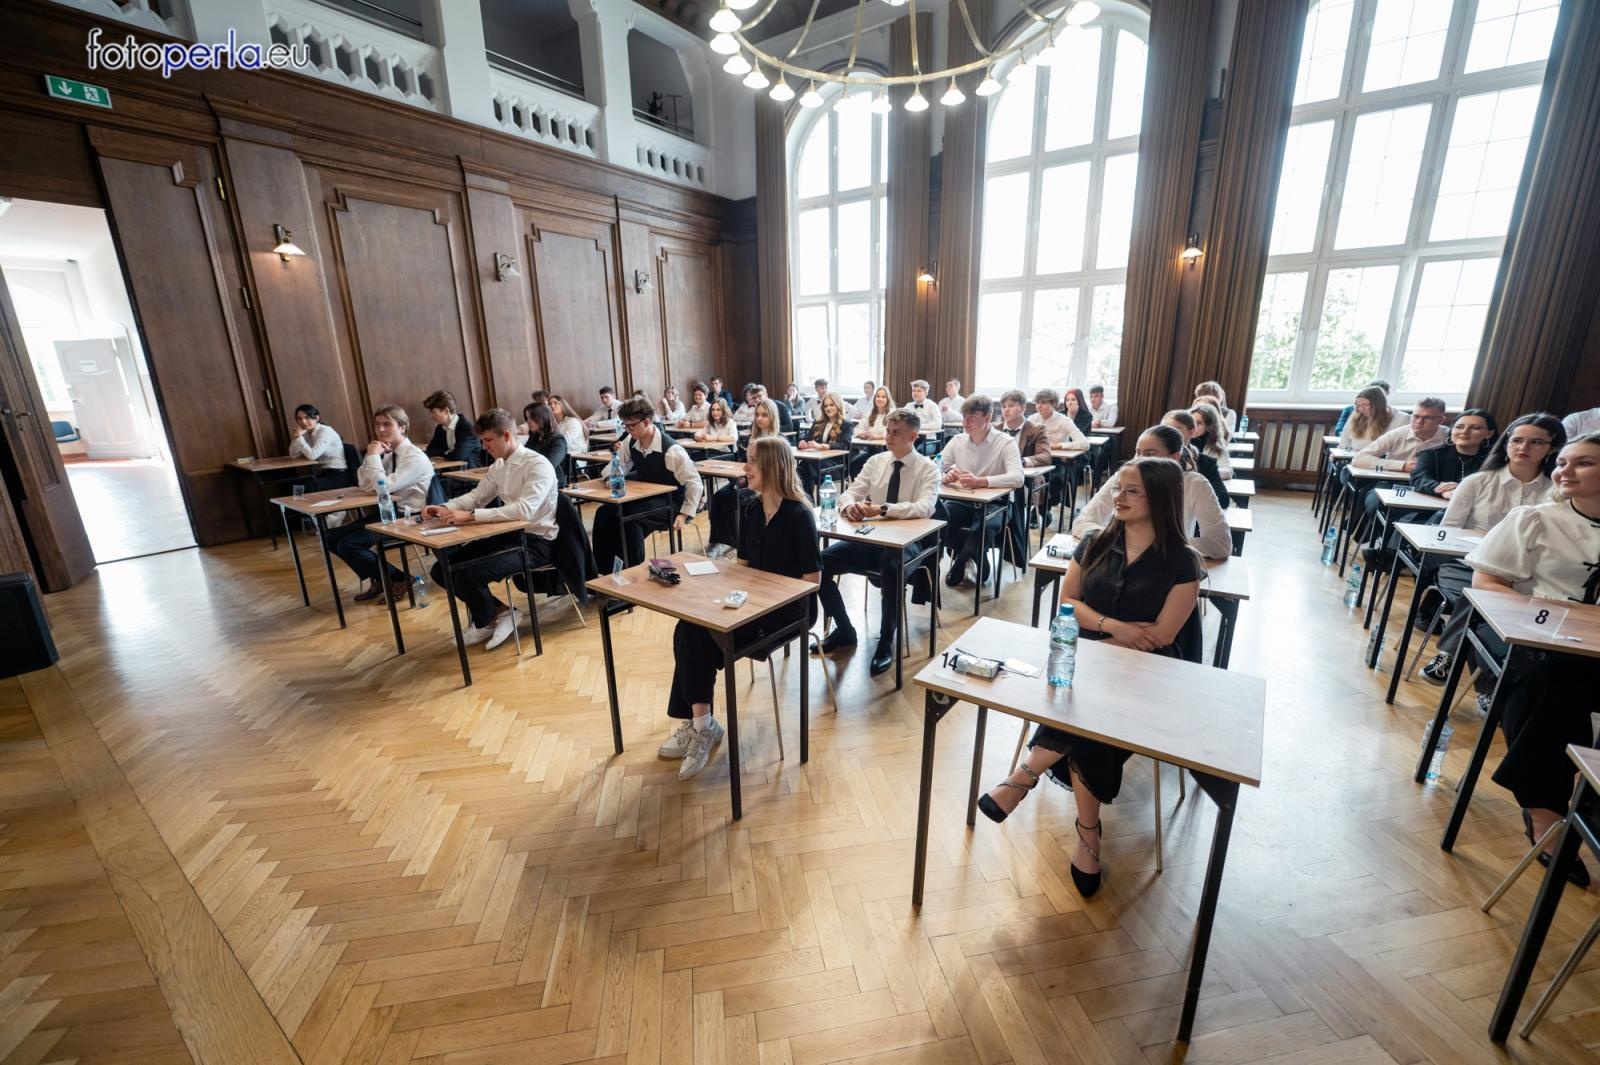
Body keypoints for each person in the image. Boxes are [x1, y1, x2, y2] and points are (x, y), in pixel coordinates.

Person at [978, 457, 1203, 897]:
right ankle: (1088, 834)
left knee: (1089, 707)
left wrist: (1099, 650)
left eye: (1132, 490)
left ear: (1159, 497)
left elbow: (1161, 635)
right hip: (1086, 661)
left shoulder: (1183, 562)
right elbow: (1068, 603)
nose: (1118, 496)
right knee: (1091, 713)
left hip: (1149, 674)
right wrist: (1113, 628)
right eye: (1118, 486)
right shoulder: (1095, 542)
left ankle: (1026, 773)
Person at [1460, 432, 1600, 887]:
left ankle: (1589, 800)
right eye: (1563, 462)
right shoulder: (1535, 519)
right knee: (1553, 680)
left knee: (1567, 681)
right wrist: (1563, 619)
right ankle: (1546, 809)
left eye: (1583, 463)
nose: (1564, 470)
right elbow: (1486, 581)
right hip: (1536, 635)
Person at [657, 436, 820, 781]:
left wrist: (762, 596)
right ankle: (702, 724)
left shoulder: (799, 516)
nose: (744, 467)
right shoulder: (751, 509)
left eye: (751, 461)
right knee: (690, 625)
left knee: (699, 635)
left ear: (773, 468)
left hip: (791, 611)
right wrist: (717, 588)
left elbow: (812, 581)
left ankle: (701, 726)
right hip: (753, 604)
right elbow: (744, 566)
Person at [1418, 413, 1564, 686]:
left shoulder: (1556, 492)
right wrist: (1489, 541)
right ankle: (1454, 659)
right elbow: (1447, 532)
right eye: (1517, 440)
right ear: (1506, 443)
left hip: (1528, 572)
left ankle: (1495, 682)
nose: (1523, 448)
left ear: (1551, 448)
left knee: (1519, 604)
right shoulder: (1477, 482)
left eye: (1535, 442)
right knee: (1480, 593)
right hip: (1466, 562)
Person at [813, 409, 940, 675]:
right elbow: (848, 494)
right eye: (888, 431)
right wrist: (851, 508)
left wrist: (883, 509)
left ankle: (885, 642)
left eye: (897, 433)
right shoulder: (875, 462)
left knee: (891, 566)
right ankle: (845, 630)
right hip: (872, 537)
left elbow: (925, 507)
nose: (889, 437)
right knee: (820, 564)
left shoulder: (928, 468)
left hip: (909, 542)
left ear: (913, 436)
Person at [422, 408, 559, 651]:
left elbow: (524, 511)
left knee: (467, 575)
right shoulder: (499, 466)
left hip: (538, 543)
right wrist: (444, 507)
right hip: (511, 535)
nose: (484, 447)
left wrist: (472, 517)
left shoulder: (538, 465)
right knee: (442, 568)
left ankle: (488, 619)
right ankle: (499, 613)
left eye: (488, 440)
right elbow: (477, 497)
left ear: (506, 435)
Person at [1074, 425, 1232, 559]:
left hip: (1170, 568)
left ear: (1175, 457)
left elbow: (1221, 544)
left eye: (1150, 454)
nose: (1139, 460)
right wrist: (1119, 542)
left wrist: (1155, 546)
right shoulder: (1122, 477)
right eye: (1138, 452)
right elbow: (1082, 522)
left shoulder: (1195, 484)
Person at [329, 404, 434, 602]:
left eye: (387, 424)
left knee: (349, 545)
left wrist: (372, 456)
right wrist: (373, 457)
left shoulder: (415, 457)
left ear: (402, 427)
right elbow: (364, 484)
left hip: (410, 517)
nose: (381, 430)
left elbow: (382, 487)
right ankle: (381, 578)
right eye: (377, 425)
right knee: (331, 538)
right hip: (387, 513)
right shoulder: (386, 452)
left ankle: (399, 579)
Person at [590, 397, 704, 573]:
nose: (627, 430)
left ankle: (631, 575)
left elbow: (694, 483)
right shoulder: (631, 441)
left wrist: (683, 514)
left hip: (674, 502)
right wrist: (608, 478)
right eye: (625, 425)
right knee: (605, 512)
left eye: (631, 426)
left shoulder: (672, 451)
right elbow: (619, 464)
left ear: (647, 422)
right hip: (648, 496)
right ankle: (604, 572)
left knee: (632, 518)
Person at [938, 395, 1024, 587]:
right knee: (941, 517)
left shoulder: (1006, 442)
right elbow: (935, 466)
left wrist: (982, 481)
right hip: (962, 500)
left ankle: (960, 563)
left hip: (997, 503)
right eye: (964, 417)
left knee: (981, 526)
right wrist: (945, 475)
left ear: (987, 418)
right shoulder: (957, 440)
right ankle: (975, 555)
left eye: (971, 417)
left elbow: (1018, 478)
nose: (965, 422)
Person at [709, 399, 784, 550]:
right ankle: (718, 540)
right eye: (757, 415)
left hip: (766, 486)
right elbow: (743, 463)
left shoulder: (778, 441)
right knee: (718, 496)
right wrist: (742, 477)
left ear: (772, 417)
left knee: (733, 500)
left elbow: (775, 472)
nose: (759, 419)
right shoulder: (752, 438)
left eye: (764, 415)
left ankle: (735, 541)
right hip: (747, 480)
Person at [1411, 408, 1495, 498]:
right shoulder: (1430, 454)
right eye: (1459, 427)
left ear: (1489, 433)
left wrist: (1461, 489)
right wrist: (1442, 489)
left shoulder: (1495, 459)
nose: (1464, 432)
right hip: (1434, 506)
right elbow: (1419, 478)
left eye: (1475, 428)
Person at [1162, 410, 1228, 508]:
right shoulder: (1150, 458)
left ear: (1192, 432)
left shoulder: (1206, 463)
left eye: (1175, 429)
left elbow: (1223, 499)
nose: (1167, 435)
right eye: (1162, 430)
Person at [798, 393, 854, 493]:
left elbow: (844, 445)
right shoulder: (818, 422)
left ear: (838, 406)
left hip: (836, 465)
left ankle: (807, 500)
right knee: (803, 467)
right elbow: (806, 438)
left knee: (806, 467)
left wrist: (822, 446)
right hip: (816, 461)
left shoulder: (847, 425)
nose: (828, 408)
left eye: (832, 405)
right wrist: (802, 442)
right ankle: (805, 499)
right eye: (826, 406)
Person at [288, 403, 347, 489]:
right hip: (324, 473)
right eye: (299, 419)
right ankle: (296, 502)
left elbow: (312, 455)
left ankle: (301, 502)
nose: (303, 422)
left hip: (338, 475)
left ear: (317, 418)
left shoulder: (325, 431)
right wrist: (297, 437)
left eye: (307, 417)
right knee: (292, 485)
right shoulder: (306, 432)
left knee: (303, 487)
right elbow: (294, 454)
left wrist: (299, 437)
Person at [424, 390, 482, 467]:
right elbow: (430, 450)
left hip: (469, 472)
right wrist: (448, 452)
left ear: (446, 411)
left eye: (433, 412)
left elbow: (458, 456)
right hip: (449, 471)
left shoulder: (467, 428)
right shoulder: (440, 428)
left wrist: (443, 453)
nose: (431, 416)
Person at [1337, 384, 1407, 449]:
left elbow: (1400, 449)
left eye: (1365, 405)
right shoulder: (1355, 418)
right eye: (1358, 406)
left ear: (1378, 404)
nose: (1361, 409)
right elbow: (1343, 443)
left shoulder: (1401, 419)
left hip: (1382, 461)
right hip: (1353, 459)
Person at [851, 386, 897, 477]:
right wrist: (862, 434)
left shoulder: (893, 414)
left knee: (875, 468)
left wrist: (878, 436)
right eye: (878, 396)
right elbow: (857, 429)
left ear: (888, 399)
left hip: (888, 451)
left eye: (883, 397)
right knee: (854, 465)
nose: (880, 399)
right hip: (871, 450)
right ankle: (861, 489)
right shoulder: (870, 413)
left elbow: (895, 432)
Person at [523, 403, 570, 487]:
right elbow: (523, 458)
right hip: (535, 479)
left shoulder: (558, 440)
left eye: (531, 418)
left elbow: (549, 465)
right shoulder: (534, 438)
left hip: (552, 482)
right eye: (527, 418)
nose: (528, 421)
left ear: (543, 417)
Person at [1188, 404, 1233, 480]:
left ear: (1209, 426)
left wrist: (1208, 473)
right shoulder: (1181, 441)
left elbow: (1228, 471)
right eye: (1192, 421)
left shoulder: (1215, 445)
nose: (1194, 426)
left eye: (1199, 423)